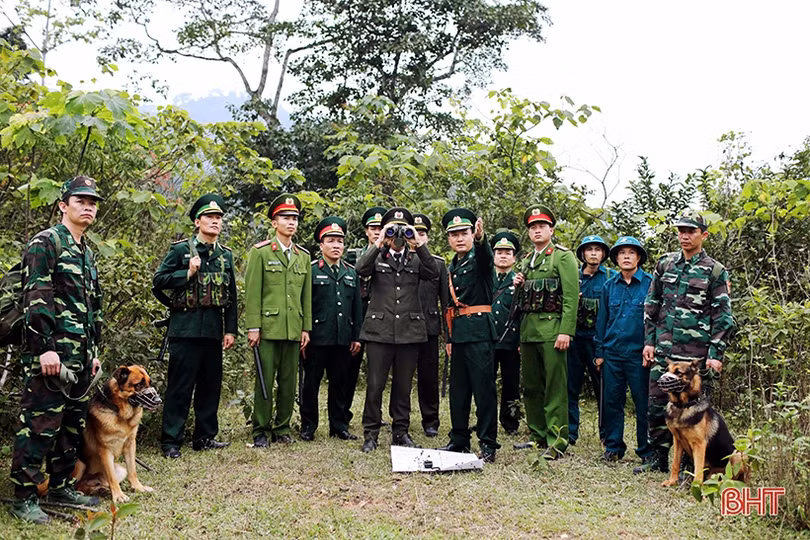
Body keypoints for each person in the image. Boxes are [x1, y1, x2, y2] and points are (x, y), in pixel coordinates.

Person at [10, 176, 104, 523]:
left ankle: (62, 485)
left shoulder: (85, 251)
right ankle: (24, 496)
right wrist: (44, 349)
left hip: (80, 357)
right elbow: (36, 297)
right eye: (80, 200)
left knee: (71, 425)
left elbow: (92, 307)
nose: (88, 206)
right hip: (51, 355)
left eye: (92, 202)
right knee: (38, 425)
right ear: (63, 205)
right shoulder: (46, 243)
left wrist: (93, 350)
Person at [636, 210, 734, 474]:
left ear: (703, 234)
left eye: (691, 231)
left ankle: (694, 467)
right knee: (657, 404)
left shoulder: (714, 271)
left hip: (695, 357)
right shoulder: (665, 265)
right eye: (681, 231)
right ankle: (657, 458)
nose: (685, 236)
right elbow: (651, 304)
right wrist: (649, 341)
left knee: (695, 410)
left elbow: (722, 316)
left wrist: (715, 354)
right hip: (665, 352)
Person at [153, 194, 237, 458]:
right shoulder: (181, 250)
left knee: (210, 386)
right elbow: (158, 280)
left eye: (219, 218)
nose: (215, 221)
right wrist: (186, 273)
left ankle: (205, 436)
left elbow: (232, 296)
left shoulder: (225, 255)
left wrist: (230, 329)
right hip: (185, 330)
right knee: (180, 387)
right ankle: (171, 441)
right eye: (210, 217)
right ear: (197, 221)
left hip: (212, 330)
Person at [357, 207, 438, 453]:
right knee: (375, 385)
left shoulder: (416, 259)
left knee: (403, 387)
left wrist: (418, 243)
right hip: (379, 331)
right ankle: (370, 433)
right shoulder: (377, 257)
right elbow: (360, 269)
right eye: (392, 228)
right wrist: (380, 241)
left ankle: (400, 432)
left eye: (402, 229)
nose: (398, 234)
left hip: (408, 332)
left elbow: (433, 272)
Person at [245, 194, 312, 447]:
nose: (291, 222)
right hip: (267, 329)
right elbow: (253, 293)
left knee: (288, 381)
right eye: (285, 218)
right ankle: (261, 429)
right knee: (264, 381)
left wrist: (306, 328)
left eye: (294, 218)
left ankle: (282, 428)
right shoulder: (261, 252)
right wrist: (253, 326)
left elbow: (306, 296)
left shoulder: (302, 256)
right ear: (274, 223)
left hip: (293, 329)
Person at [513, 205, 579, 459]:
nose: (537, 230)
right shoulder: (527, 260)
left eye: (541, 226)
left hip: (553, 332)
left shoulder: (562, 257)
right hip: (529, 332)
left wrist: (566, 331)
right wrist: (519, 284)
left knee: (555, 388)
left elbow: (571, 298)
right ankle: (537, 435)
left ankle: (557, 441)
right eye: (532, 227)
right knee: (531, 387)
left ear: (551, 229)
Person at [438, 209, 500, 462]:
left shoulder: (479, 259)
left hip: (480, 332)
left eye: (464, 233)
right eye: (454, 235)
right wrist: (450, 339)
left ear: (472, 234)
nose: (459, 239)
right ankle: (459, 439)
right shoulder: (453, 264)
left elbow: (486, 257)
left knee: (483, 390)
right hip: (460, 332)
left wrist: (483, 238)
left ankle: (488, 443)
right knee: (459, 390)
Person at [299, 217, 363, 441]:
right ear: (321, 245)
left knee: (340, 384)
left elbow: (357, 308)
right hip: (317, 338)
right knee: (311, 385)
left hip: (342, 337)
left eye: (339, 241)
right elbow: (304, 303)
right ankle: (308, 426)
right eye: (331, 241)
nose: (336, 245)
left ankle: (339, 426)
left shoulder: (350, 272)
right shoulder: (311, 270)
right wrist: (304, 331)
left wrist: (356, 336)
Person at [593, 236, 654, 464]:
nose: (626, 256)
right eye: (622, 253)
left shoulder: (650, 284)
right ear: (616, 258)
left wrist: (653, 346)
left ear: (639, 257)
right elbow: (602, 322)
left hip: (639, 356)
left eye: (631, 252)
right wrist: (599, 353)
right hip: (612, 354)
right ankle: (613, 447)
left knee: (643, 404)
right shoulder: (609, 286)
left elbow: (656, 319)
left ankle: (647, 452)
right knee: (612, 402)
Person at [568, 235, 613, 446]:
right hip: (574, 340)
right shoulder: (572, 277)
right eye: (589, 249)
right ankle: (569, 433)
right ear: (583, 254)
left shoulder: (610, 278)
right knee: (570, 387)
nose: (593, 253)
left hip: (598, 342)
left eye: (598, 249)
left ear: (603, 254)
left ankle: (606, 435)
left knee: (602, 390)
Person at [343, 206, 386, 422]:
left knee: (378, 373)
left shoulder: (392, 254)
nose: (377, 231)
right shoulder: (354, 255)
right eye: (372, 228)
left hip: (381, 318)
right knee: (350, 369)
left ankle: (375, 415)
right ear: (366, 232)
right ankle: (343, 413)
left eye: (381, 227)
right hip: (358, 317)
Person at [413, 213, 448, 438]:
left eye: (422, 233)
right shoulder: (399, 260)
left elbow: (445, 302)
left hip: (429, 327)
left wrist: (449, 335)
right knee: (401, 378)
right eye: (414, 233)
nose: (418, 237)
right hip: (404, 328)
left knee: (428, 377)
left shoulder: (438, 263)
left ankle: (430, 421)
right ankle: (400, 418)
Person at [490, 230, 522, 436]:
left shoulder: (520, 280)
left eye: (508, 252)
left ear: (514, 257)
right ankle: (486, 419)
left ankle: (510, 423)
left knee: (511, 383)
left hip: (511, 340)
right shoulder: (485, 278)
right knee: (485, 382)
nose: (503, 255)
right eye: (499, 251)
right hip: (488, 338)